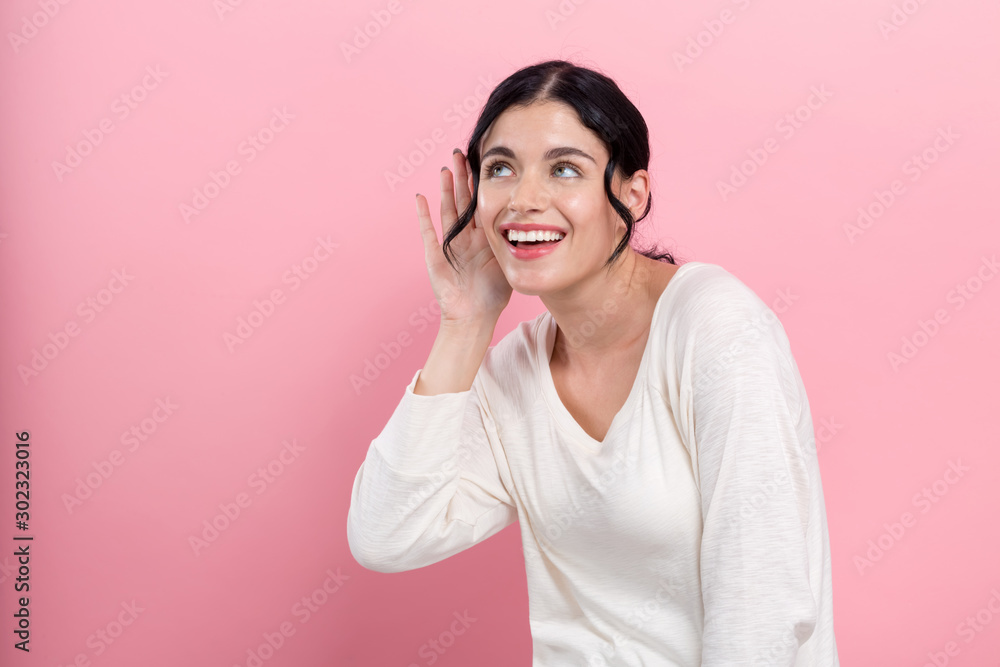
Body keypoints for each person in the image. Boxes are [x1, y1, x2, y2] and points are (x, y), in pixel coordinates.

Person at [347, 60, 840, 666]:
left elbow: (762, 607)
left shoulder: (716, 330)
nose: (525, 199)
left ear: (633, 194)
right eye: (500, 169)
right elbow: (385, 536)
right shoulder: (515, 373)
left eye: (564, 169)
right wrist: (465, 323)